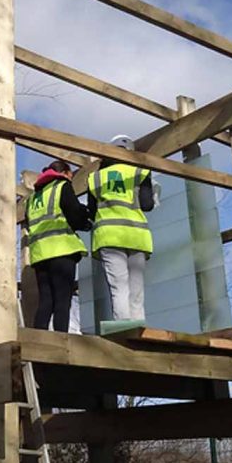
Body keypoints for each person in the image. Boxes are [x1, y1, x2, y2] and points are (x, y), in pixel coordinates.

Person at [87, 134, 155, 323]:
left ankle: (124, 329)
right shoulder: (140, 172)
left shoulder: (95, 178)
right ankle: (139, 327)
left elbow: (92, 212)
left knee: (119, 287)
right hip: (136, 235)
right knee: (137, 289)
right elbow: (147, 204)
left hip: (109, 236)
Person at [24, 160, 90, 332]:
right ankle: (62, 343)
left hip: (40, 255)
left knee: (46, 301)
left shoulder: (33, 198)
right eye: (71, 175)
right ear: (66, 173)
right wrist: (86, 221)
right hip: (62, 250)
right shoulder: (62, 186)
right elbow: (74, 215)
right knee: (62, 299)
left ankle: (38, 346)